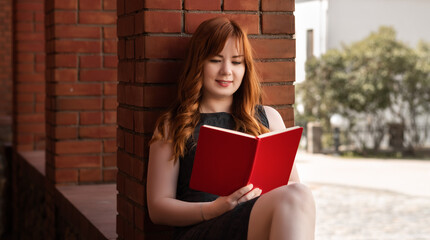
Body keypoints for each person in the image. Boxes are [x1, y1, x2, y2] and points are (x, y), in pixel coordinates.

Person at [147, 17, 316, 240]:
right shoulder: (174, 125)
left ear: (246, 68)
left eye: (237, 62)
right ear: (199, 63)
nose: (227, 71)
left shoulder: (269, 119)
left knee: (299, 193)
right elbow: (157, 208)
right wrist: (212, 209)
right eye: (216, 60)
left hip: (255, 221)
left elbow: (291, 188)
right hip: (202, 228)